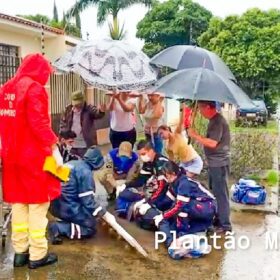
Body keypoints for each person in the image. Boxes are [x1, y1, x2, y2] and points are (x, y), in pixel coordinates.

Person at [0, 54, 61, 269]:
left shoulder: (6, 88)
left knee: (18, 203)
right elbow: (39, 123)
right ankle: (37, 255)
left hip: (11, 158)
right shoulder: (34, 89)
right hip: (32, 158)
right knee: (37, 204)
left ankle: (19, 252)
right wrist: (54, 147)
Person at [49, 147, 112, 243]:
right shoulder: (85, 172)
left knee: (85, 213)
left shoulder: (71, 163)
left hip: (54, 204)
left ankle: (64, 221)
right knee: (90, 227)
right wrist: (103, 213)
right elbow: (88, 201)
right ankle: (60, 227)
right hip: (68, 207)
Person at [188, 101, 231, 233]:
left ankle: (225, 225)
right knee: (215, 192)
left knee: (221, 193)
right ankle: (219, 219)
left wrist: (195, 136)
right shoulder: (213, 120)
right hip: (214, 163)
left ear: (207, 107)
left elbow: (212, 143)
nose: (200, 111)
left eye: (201, 108)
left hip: (219, 163)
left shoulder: (217, 121)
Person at [153, 161, 216, 247]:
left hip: (208, 206)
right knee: (173, 217)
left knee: (181, 207)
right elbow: (166, 201)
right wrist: (152, 204)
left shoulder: (184, 183)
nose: (166, 178)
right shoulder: (174, 184)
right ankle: (199, 229)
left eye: (166, 175)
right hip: (197, 206)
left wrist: (163, 216)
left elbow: (179, 206)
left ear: (173, 173)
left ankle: (184, 234)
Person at [115, 140, 171, 220]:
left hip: (163, 197)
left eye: (143, 154)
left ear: (151, 151)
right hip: (149, 194)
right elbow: (141, 180)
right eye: (140, 154)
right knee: (123, 194)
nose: (141, 157)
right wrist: (125, 185)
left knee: (145, 218)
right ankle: (132, 211)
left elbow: (162, 189)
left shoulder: (161, 163)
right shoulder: (147, 163)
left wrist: (149, 202)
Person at [157, 104, 203, 177]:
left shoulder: (177, 133)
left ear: (167, 130)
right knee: (179, 178)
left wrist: (183, 108)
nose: (161, 136)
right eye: (160, 135)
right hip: (184, 164)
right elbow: (171, 161)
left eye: (161, 133)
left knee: (185, 178)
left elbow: (181, 121)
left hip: (194, 161)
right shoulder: (168, 146)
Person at [60, 90, 106, 158]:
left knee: (85, 165)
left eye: (79, 103)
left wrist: (101, 111)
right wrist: (65, 138)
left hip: (85, 145)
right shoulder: (68, 110)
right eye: (75, 103)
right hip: (72, 145)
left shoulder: (88, 109)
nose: (77, 105)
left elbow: (97, 114)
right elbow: (62, 124)